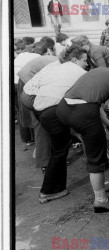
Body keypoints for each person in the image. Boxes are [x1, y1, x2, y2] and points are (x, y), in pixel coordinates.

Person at [56, 60, 109, 213]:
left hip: (63, 108)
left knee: (90, 139)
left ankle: (90, 147)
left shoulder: (97, 70)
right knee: (96, 159)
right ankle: (101, 201)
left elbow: (95, 103)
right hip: (83, 113)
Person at [23, 45, 88, 203]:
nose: (87, 63)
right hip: (49, 109)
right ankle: (48, 191)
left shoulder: (59, 66)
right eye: (85, 60)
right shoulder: (79, 72)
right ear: (74, 59)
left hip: (39, 105)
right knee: (59, 151)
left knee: (58, 148)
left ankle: (56, 187)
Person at [18, 52, 59, 172]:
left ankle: (41, 152)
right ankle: (45, 162)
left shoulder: (59, 62)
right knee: (41, 120)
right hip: (29, 82)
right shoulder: (60, 65)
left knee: (42, 120)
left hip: (29, 80)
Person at [14, 42, 48, 144]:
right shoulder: (38, 57)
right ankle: (35, 139)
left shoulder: (21, 55)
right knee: (31, 111)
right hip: (23, 81)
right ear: (43, 52)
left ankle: (26, 139)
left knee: (21, 111)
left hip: (13, 81)